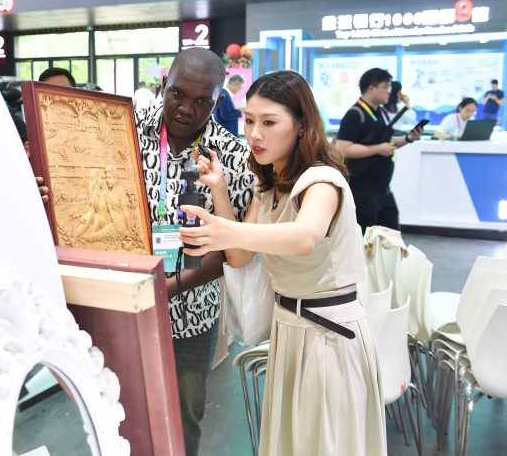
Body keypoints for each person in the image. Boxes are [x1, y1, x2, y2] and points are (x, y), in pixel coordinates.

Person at [179, 70, 387, 456]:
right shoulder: (270, 185)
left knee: (324, 444)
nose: (255, 134)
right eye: (249, 121)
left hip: (328, 336)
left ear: (302, 124)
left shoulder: (322, 181)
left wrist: (224, 231)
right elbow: (239, 255)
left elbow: (304, 238)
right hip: (288, 329)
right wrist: (220, 189)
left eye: (269, 122)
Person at [135, 47, 254, 456]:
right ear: (163, 84)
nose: (186, 108)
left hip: (192, 314)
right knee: (124, 409)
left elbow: (234, 249)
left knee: (183, 417)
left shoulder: (233, 158)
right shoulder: (127, 131)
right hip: (125, 306)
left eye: (202, 101)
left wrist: (167, 287)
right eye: (178, 94)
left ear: (218, 102)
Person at [336, 68, 423, 232]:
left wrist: (408, 139)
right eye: (386, 87)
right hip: (362, 190)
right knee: (365, 238)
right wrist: (377, 149)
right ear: (371, 88)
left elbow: (387, 143)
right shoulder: (355, 114)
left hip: (383, 189)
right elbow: (343, 149)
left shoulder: (381, 112)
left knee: (391, 236)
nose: (390, 91)